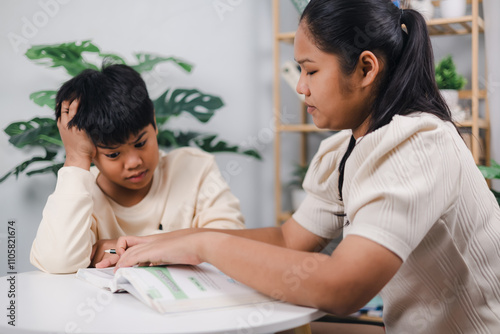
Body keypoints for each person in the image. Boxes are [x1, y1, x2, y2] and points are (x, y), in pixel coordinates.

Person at [114, 1, 500, 333]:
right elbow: (289, 240)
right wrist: (164, 243)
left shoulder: (418, 144)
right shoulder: (347, 149)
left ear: (366, 69)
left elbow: (343, 287)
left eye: (310, 70)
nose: (300, 87)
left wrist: (204, 244)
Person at [30, 64, 245, 274]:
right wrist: (76, 159)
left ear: (153, 122)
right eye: (113, 154)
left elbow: (231, 241)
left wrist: (114, 249)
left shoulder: (195, 169)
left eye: (141, 143)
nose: (134, 162)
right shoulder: (82, 196)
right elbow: (58, 261)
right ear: (91, 152)